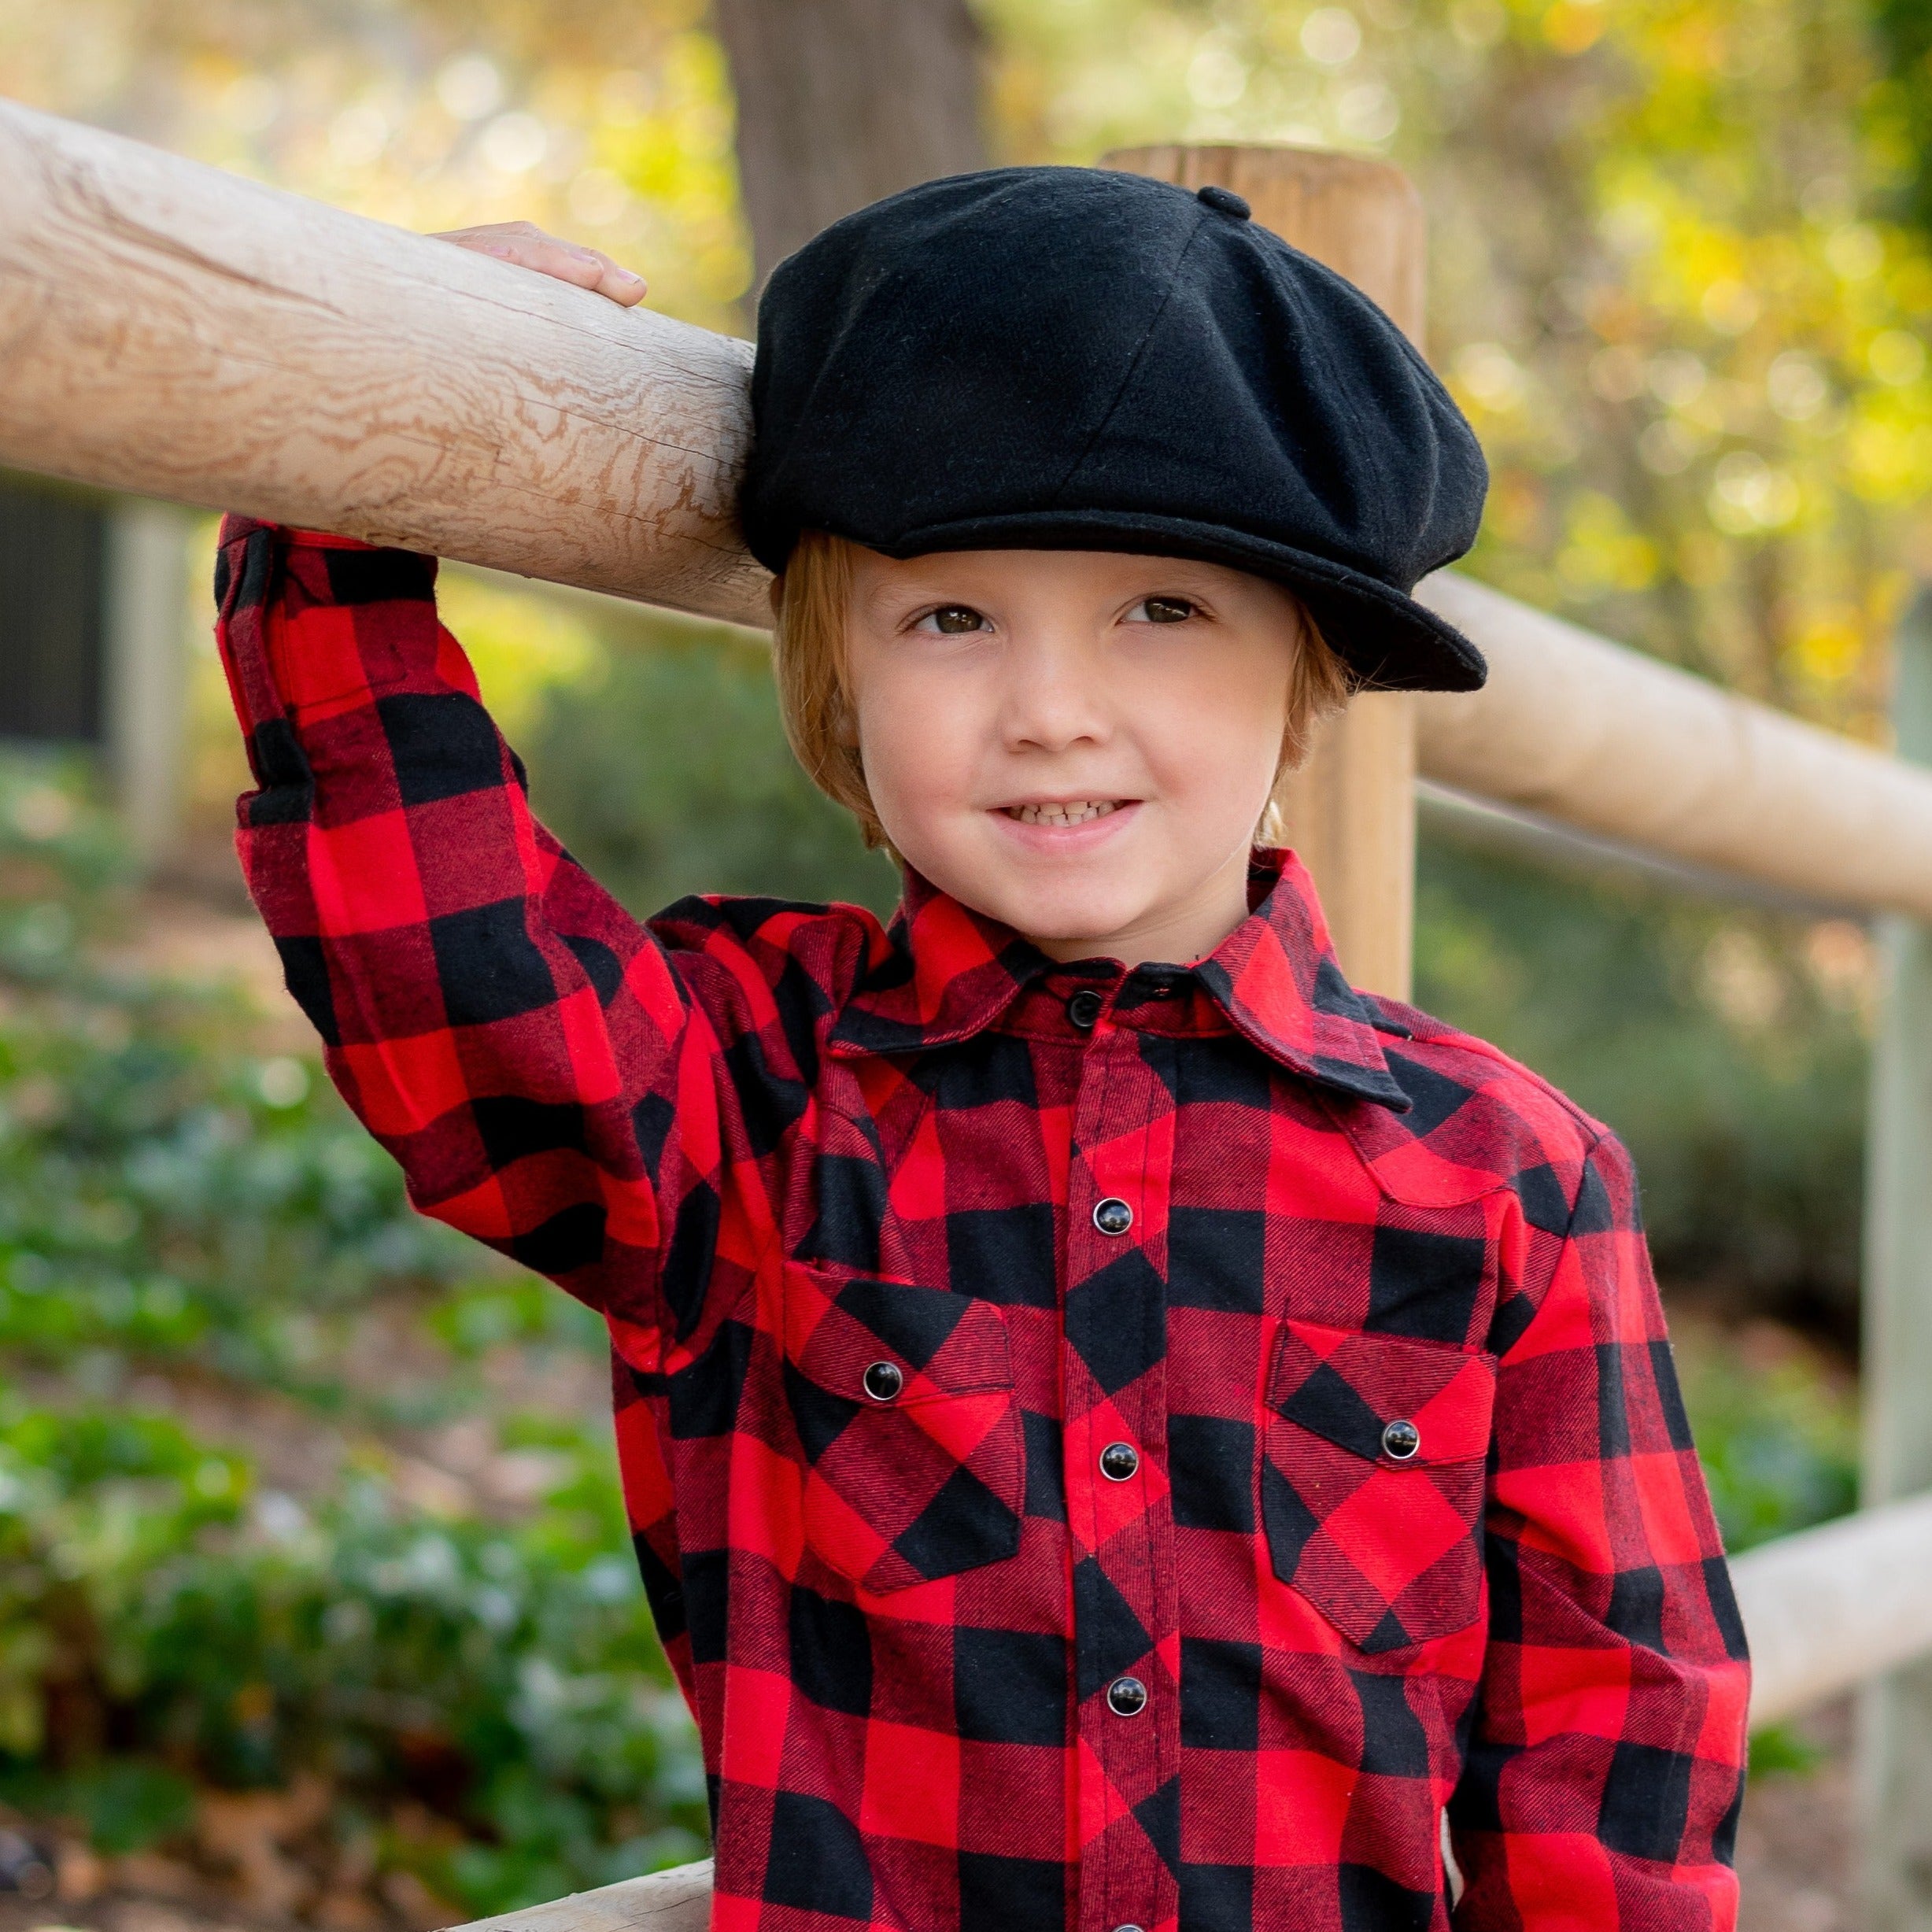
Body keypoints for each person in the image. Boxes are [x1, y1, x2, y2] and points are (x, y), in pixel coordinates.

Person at [212, 168, 1748, 1932]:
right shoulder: (751, 1093)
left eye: (1160, 611)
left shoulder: (1503, 1176)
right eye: (951, 618)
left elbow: (1613, 1739)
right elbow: (444, 968)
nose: (1050, 709)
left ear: (1303, 673)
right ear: (837, 684)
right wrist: (351, 450)